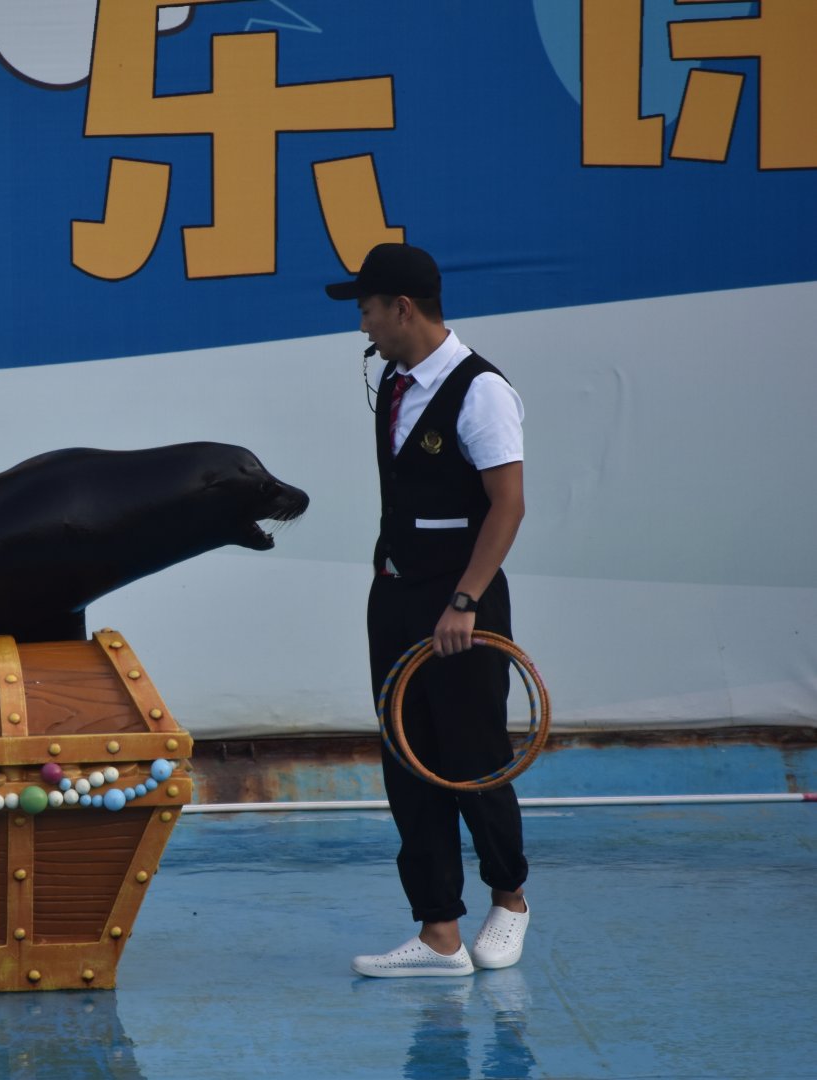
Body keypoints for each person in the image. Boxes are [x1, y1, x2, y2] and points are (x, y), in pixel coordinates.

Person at [325, 243, 530, 977]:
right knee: (407, 759)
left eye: (368, 309)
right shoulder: (393, 381)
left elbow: (508, 505)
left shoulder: (480, 390)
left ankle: (509, 900)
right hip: (398, 597)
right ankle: (439, 930)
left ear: (402, 308)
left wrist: (465, 600)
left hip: (463, 603)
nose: (364, 326)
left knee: (472, 757)